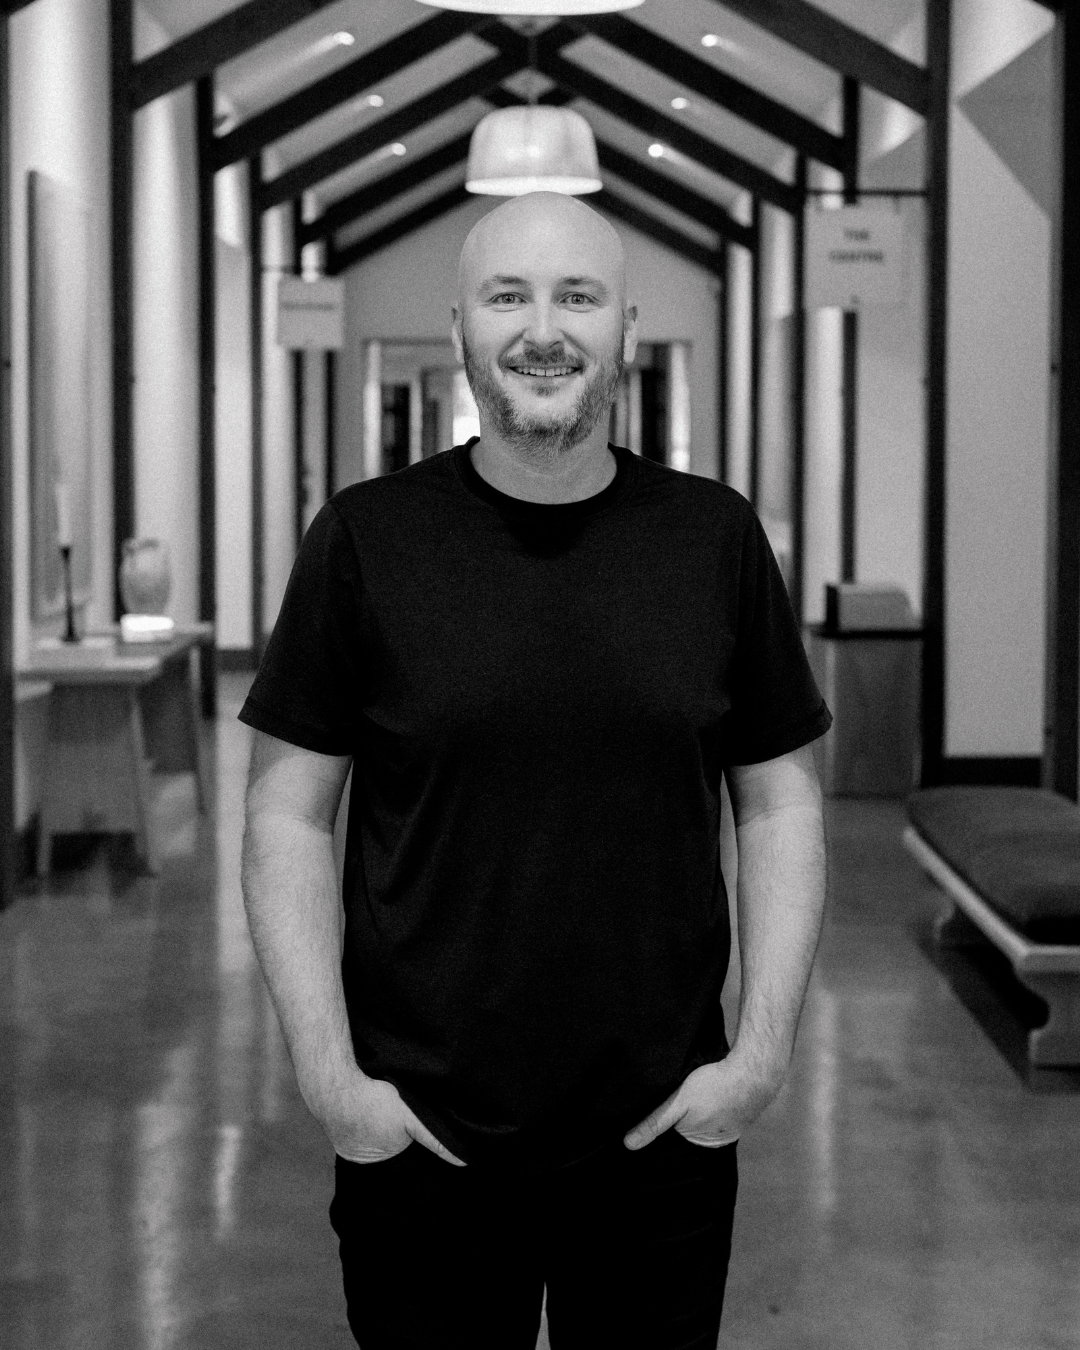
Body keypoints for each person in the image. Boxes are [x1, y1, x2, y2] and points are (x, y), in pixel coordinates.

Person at [240, 191, 830, 1350]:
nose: (544, 330)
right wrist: (331, 1080)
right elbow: (286, 815)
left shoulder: (713, 539)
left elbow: (779, 804)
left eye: (579, 297)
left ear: (627, 328)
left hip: (663, 1131)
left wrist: (759, 1059)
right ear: (460, 327)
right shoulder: (365, 538)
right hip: (422, 1137)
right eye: (508, 296)